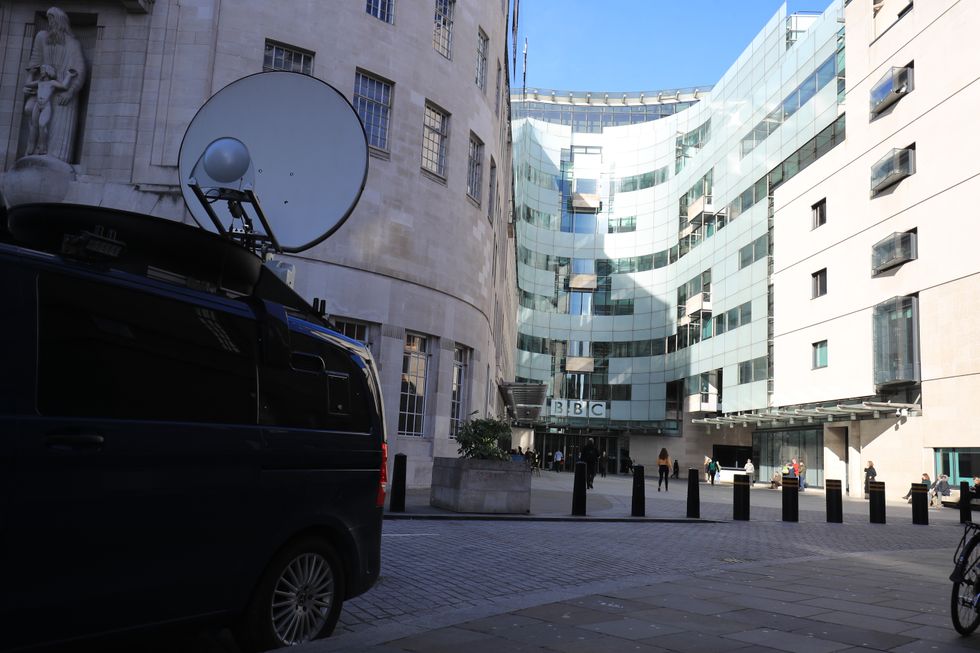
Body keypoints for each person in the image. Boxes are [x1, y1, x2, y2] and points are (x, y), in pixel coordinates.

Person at [23, 7, 88, 163]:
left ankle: (53, 157)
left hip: (60, 93)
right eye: (48, 19)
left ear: (60, 22)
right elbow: (34, 63)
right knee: (30, 113)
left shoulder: (73, 44)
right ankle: (30, 152)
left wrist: (71, 92)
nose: (50, 23)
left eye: (53, 20)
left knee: (51, 126)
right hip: (41, 89)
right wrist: (29, 82)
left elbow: (80, 70)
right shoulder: (41, 37)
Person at [23, 64, 76, 156]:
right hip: (37, 105)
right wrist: (31, 74)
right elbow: (27, 84)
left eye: (43, 70)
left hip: (46, 106)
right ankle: (31, 147)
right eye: (41, 70)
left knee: (42, 125)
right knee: (34, 126)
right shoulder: (39, 82)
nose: (41, 72)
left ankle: (42, 148)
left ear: (48, 71)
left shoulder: (52, 83)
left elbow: (64, 86)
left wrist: (69, 76)